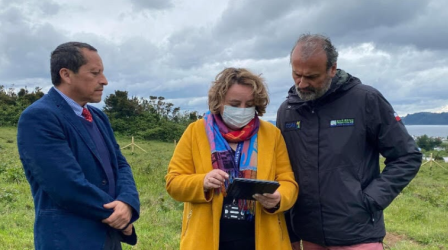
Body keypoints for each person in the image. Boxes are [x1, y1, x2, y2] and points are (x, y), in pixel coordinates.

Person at [277, 34, 422, 250]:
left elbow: (407, 156)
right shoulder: (287, 111)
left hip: (359, 234)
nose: (302, 83)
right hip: (307, 234)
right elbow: (283, 172)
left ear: (332, 69)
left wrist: (370, 200)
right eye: (297, 74)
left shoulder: (366, 100)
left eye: (312, 76)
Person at [17, 42, 140, 250]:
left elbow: (120, 165)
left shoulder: (98, 117)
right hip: (69, 239)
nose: (104, 81)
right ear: (66, 74)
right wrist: (119, 217)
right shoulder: (40, 117)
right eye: (95, 73)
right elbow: (65, 185)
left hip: (108, 238)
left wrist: (127, 203)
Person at [166, 68, 299, 250]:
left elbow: (288, 182)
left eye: (249, 104)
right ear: (218, 102)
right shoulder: (195, 132)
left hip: (262, 239)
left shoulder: (272, 135)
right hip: (208, 239)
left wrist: (279, 198)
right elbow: (173, 183)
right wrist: (202, 182)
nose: (242, 110)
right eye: (235, 104)